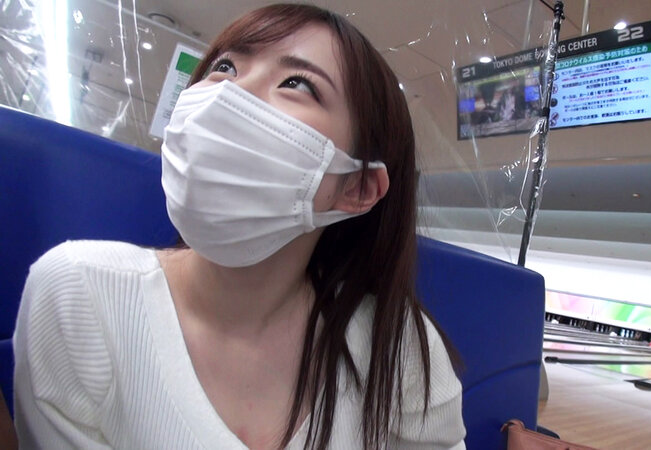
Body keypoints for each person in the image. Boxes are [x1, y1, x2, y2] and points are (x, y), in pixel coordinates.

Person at [13, 4, 465, 449]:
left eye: (297, 83)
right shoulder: (80, 295)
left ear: (357, 187)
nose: (230, 92)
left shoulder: (397, 345)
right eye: (224, 67)